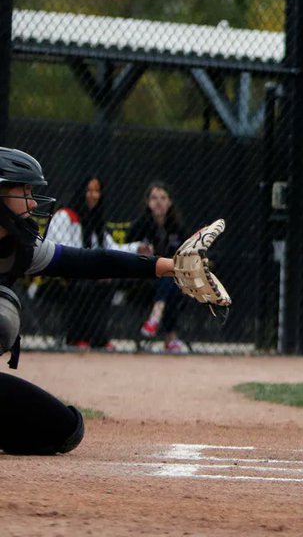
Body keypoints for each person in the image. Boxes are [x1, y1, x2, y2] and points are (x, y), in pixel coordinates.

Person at [0, 147, 195, 455]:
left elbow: (93, 262)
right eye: (24, 190)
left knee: (64, 430)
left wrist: (168, 266)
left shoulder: (20, 247)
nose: (33, 201)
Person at [44, 175, 133, 349]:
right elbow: (64, 252)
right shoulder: (65, 216)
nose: (93, 195)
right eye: (89, 190)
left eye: (97, 191)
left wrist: (138, 249)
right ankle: (76, 337)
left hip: (86, 273)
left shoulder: (95, 223)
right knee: (84, 284)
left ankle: (98, 338)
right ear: (81, 192)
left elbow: (112, 248)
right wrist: (92, 270)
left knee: (108, 284)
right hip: (58, 275)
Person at [129, 181, 189, 353]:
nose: (159, 202)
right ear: (148, 202)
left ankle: (156, 316)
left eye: (163, 198)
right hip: (142, 278)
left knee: (172, 279)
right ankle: (171, 338)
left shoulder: (177, 227)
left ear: (170, 202)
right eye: (154, 198)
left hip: (170, 279)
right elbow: (125, 250)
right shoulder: (139, 225)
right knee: (169, 278)